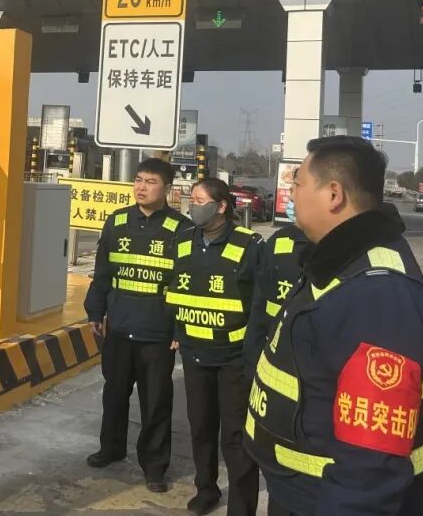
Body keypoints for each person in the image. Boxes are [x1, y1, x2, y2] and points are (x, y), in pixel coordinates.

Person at [244, 136, 423, 515]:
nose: (291, 192)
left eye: (298, 183)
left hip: (323, 500)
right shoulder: (338, 261)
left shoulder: (379, 294)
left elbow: (370, 471)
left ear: (333, 194)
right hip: (300, 493)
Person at [84, 158, 189, 493]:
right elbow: (103, 271)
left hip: (157, 333)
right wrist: (95, 310)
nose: (142, 187)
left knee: (155, 402)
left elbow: (185, 283)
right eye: (139, 180)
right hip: (119, 326)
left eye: (151, 182)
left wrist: (180, 328)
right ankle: (111, 448)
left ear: (167, 189)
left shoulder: (181, 229)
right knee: (114, 394)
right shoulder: (117, 222)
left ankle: (154, 467)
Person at [167, 178, 261, 515]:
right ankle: (206, 490)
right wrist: (177, 330)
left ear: (221, 206)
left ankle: (241, 506)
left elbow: (259, 302)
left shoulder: (250, 245)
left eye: (199, 201)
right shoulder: (183, 240)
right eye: (191, 200)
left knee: (235, 435)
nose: (193, 207)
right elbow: (176, 289)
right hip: (195, 352)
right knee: (201, 427)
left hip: (233, 357)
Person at [243, 198, 311, 370]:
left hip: (308, 360)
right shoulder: (279, 239)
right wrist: (252, 355)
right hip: (272, 350)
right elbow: (259, 302)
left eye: (298, 188)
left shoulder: (342, 249)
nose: (292, 199)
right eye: (291, 192)